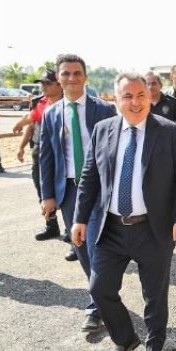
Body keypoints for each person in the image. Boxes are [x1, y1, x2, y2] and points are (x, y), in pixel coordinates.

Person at [72, 72, 176, 351]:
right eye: (127, 96)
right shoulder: (102, 130)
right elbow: (89, 180)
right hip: (110, 229)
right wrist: (79, 218)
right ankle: (125, 339)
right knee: (99, 288)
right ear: (115, 99)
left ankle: (155, 349)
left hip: (153, 229)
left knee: (154, 294)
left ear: (150, 97)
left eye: (141, 95)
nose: (135, 102)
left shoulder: (167, 132)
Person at [39, 54, 117, 332]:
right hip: (69, 191)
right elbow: (46, 157)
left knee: (96, 247)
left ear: (85, 77)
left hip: (98, 190)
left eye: (77, 73)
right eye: (66, 73)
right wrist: (47, 195)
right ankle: (103, 297)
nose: (71, 78)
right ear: (59, 79)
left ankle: (98, 305)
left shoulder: (104, 110)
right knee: (81, 246)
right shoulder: (51, 113)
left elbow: (115, 151)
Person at [14, 69, 64, 240]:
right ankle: (51, 226)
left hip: (62, 155)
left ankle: (73, 234)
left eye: (47, 83)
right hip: (40, 153)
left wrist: (22, 121)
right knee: (43, 191)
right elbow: (31, 122)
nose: (43, 87)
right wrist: (21, 146)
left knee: (68, 192)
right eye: (42, 83)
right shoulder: (40, 102)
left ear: (59, 84)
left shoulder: (69, 103)